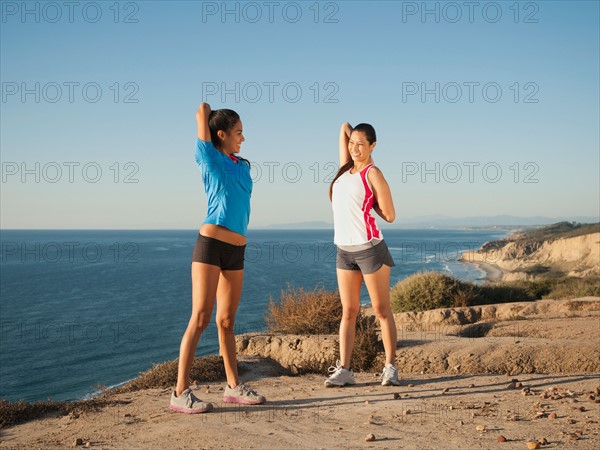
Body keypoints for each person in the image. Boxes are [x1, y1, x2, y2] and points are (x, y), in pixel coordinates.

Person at [169, 102, 266, 414]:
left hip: (236, 249)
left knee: (226, 321)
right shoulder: (208, 156)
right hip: (210, 245)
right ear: (221, 134)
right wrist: (210, 125)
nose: (243, 137)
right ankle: (180, 392)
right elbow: (201, 110)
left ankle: (234, 388)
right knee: (200, 318)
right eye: (238, 132)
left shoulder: (243, 166)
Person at [325, 122, 400, 387]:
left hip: (369, 248)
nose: (354, 148)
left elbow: (390, 215)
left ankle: (390, 367)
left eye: (361, 144)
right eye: (351, 143)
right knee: (348, 311)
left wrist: (371, 207)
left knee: (381, 309)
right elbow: (343, 126)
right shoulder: (345, 170)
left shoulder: (373, 173)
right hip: (344, 250)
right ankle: (345, 369)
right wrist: (351, 136)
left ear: (372, 146)